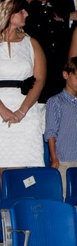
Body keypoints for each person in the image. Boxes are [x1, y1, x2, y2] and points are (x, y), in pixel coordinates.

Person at [0, 0, 48, 178]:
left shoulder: (32, 43)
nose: (26, 14)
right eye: (21, 10)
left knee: (17, 170)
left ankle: (14, 206)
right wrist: (2, 110)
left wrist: (22, 111)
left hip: (24, 110)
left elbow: (40, 79)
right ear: (8, 13)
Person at [45, 57, 77, 187]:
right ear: (66, 75)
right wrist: (54, 158)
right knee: (64, 195)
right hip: (64, 160)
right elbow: (50, 132)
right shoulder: (55, 102)